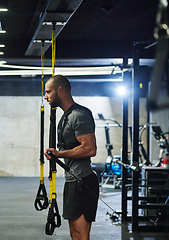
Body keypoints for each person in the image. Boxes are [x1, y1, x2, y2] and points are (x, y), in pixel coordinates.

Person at [43, 75, 99, 240]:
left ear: (60, 91)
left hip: (83, 181)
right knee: (74, 234)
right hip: (72, 181)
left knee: (81, 235)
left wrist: (58, 154)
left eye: (48, 92)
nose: (45, 96)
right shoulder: (66, 116)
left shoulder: (79, 115)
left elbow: (90, 149)